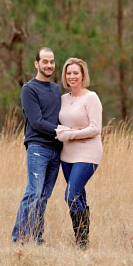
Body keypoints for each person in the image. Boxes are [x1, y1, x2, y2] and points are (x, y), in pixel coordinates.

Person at [12, 47, 63, 244]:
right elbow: (37, 122)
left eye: (52, 62)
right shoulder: (29, 89)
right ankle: (18, 238)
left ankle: (36, 237)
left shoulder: (57, 90)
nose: (49, 65)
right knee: (33, 192)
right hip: (38, 149)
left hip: (56, 150)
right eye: (45, 62)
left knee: (43, 196)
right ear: (36, 63)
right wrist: (62, 131)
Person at [55, 58, 103, 249]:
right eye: (69, 73)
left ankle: (81, 241)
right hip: (67, 155)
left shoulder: (91, 98)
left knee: (71, 195)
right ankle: (82, 241)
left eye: (76, 73)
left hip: (88, 153)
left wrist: (72, 133)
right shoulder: (63, 99)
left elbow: (95, 128)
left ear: (83, 75)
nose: (72, 76)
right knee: (79, 196)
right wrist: (66, 132)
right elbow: (60, 126)